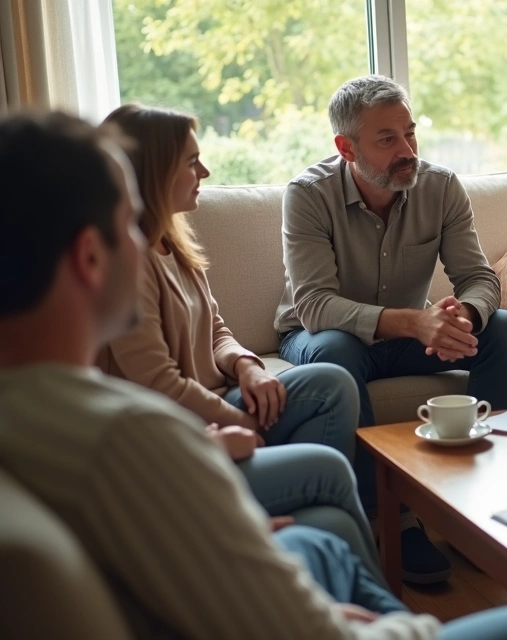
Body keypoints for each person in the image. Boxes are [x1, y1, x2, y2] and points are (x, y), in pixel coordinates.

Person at [0, 110, 507, 640]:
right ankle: (392, 552)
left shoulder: (45, 415)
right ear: (89, 258)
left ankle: (436, 532)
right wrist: (403, 628)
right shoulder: (132, 437)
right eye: (128, 222)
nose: (144, 241)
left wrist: (245, 370)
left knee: (322, 519)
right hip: (332, 344)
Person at [94, 104, 382, 577]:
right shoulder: (129, 262)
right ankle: (309, 531)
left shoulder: (173, 242)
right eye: (191, 162)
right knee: (328, 500)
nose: (205, 172)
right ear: (154, 172)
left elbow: (217, 330)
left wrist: (246, 365)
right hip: (180, 426)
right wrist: (239, 420)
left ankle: (295, 528)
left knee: (331, 383)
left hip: (217, 400)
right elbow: (157, 382)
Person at [275, 74, 507, 583]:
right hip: (322, 334)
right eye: (387, 139)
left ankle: (475, 499)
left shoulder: (440, 186)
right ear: (346, 148)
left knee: (504, 330)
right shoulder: (308, 195)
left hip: (412, 334)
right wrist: (414, 322)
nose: (407, 150)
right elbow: (315, 306)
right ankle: (392, 522)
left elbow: (479, 279)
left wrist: (463, 317)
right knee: (336, 351)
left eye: (410, 133)